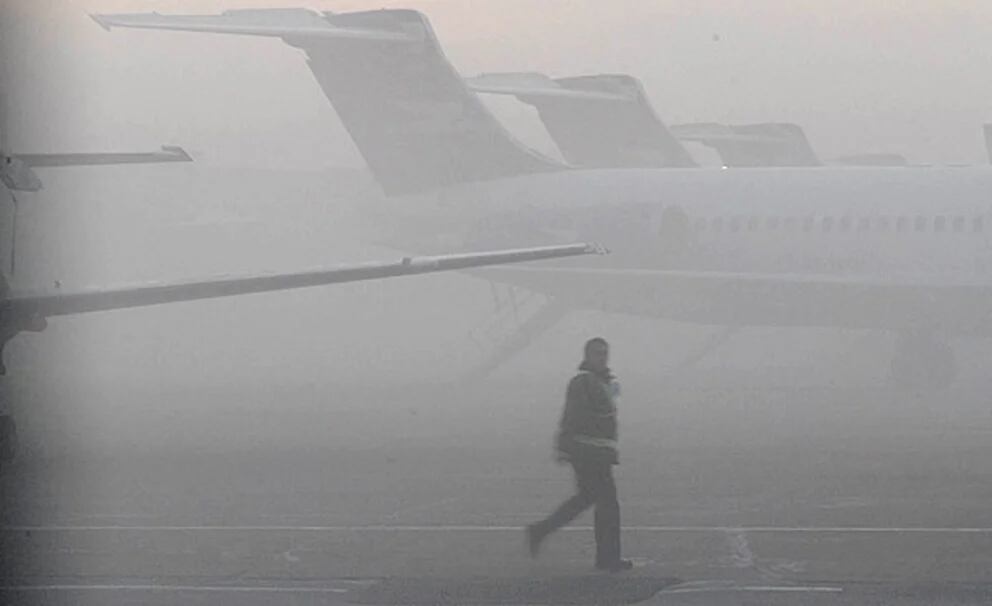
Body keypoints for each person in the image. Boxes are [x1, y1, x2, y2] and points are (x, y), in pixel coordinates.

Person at [526, 337, 632, 572]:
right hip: (586, 451)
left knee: (588, 498)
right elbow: (572, 414)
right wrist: (564, 446)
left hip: (599, 451)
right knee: (608, 504)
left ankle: (541, 530)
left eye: (605, 353)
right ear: (587, 355)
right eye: (597, 353)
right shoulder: (582, 382)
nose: (602, 357)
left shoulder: (604, 382)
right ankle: (607, 558)